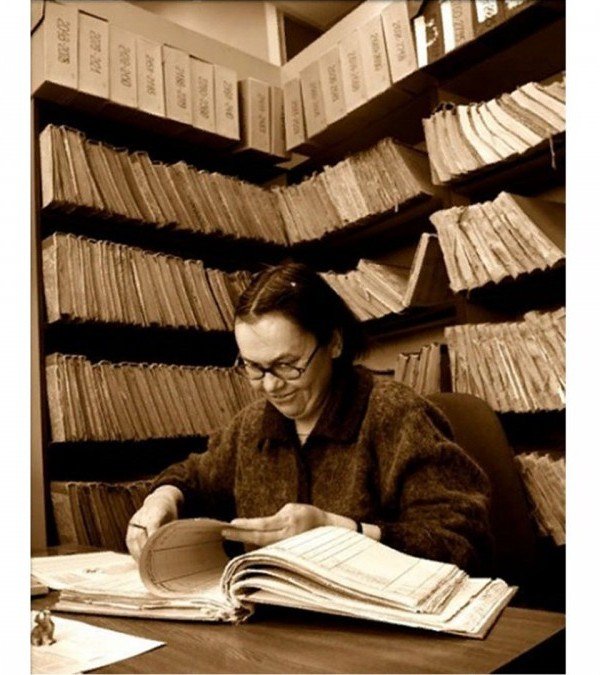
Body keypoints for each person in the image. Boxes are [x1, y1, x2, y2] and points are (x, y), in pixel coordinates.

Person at [126, 262, 492, 574]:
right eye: (254, 367)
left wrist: (340, 530)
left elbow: (462, 542)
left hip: (376, 627)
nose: (270, 386)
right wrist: (162, 498)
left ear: (333, 343)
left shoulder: (395, 414)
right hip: (277, 624)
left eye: (287, 365)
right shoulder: (252, 425)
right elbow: (194, 477)